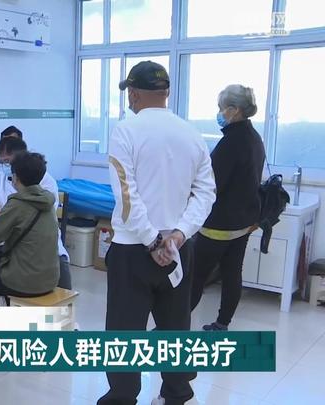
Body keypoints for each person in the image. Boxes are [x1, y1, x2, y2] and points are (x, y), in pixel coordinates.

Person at [98, 61, 216, 405]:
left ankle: (122, 397)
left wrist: (152, 239)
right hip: (178, 250)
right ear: (166, 93)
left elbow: (126, 194)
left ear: (134, 94)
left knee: (124, 331)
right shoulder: (192, 134)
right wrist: (179, 234)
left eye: (129, 94)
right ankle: (176, 394)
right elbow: (206, 193)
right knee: (175, 326)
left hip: (133, 249)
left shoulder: (126, 131)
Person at [190, 85, 265, 331]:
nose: (219, 113)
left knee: (195, 276)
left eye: (221, 108)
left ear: (234, 110)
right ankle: (222, 324)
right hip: (244, 222)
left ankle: (172, 325)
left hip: (219, 225)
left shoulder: (231, 142)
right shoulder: (254, 138)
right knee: (232, 273)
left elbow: (213, 184)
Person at [0, 137, 72, 302]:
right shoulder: (46, 198)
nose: (5, 167)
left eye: (7, 162)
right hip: (49, 277)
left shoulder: (19, 202)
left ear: (16, 176)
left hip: (25, 280)